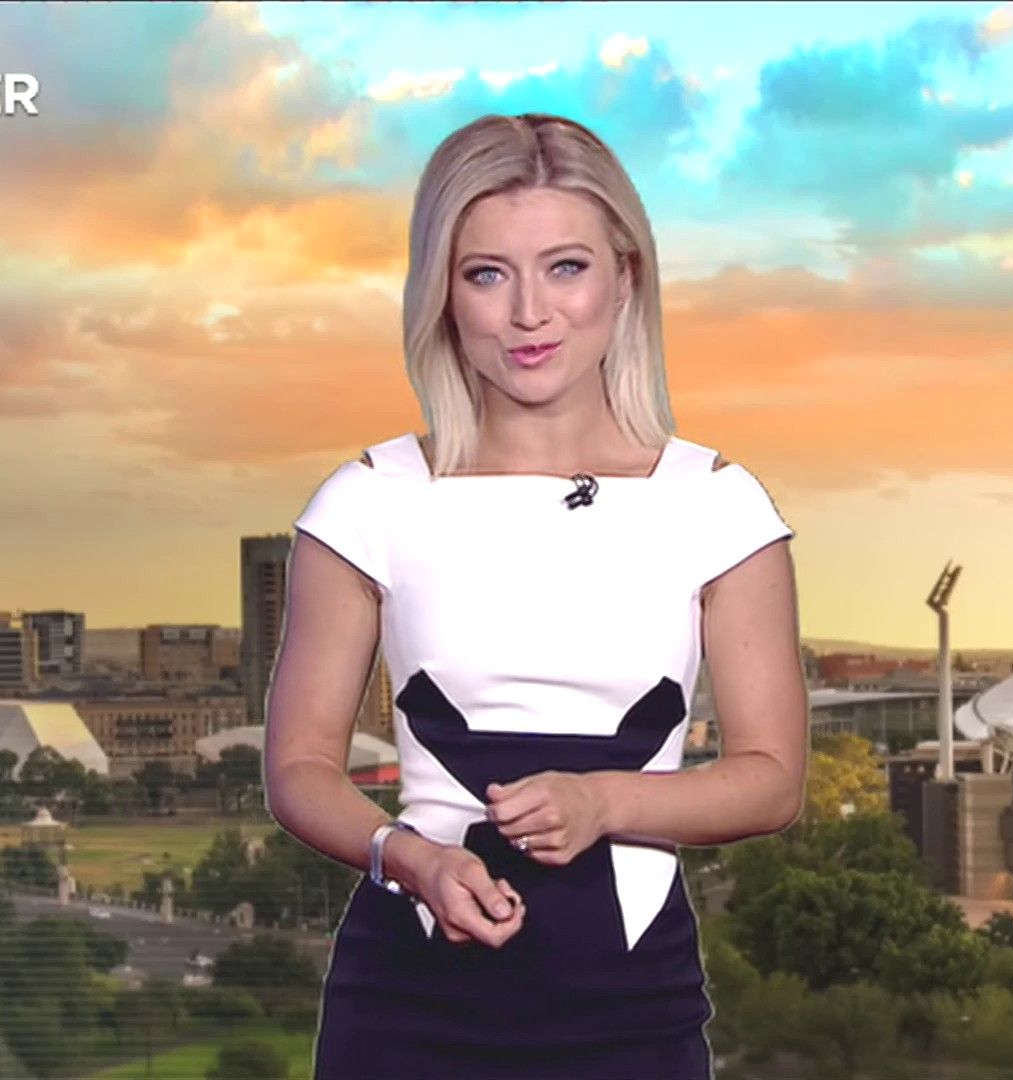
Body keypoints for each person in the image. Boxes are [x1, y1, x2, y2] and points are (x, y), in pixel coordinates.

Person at [265, 112, 807, 1079]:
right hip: (405, 1005)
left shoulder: (718, 505)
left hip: (630, 1009)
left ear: (625, 278)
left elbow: (772, 780)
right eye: (486, 273)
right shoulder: (368, 501)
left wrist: (603, 802)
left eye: (565, 267)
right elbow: (300, 769)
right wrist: (411, 859)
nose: (528, 313)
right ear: (442, 292)